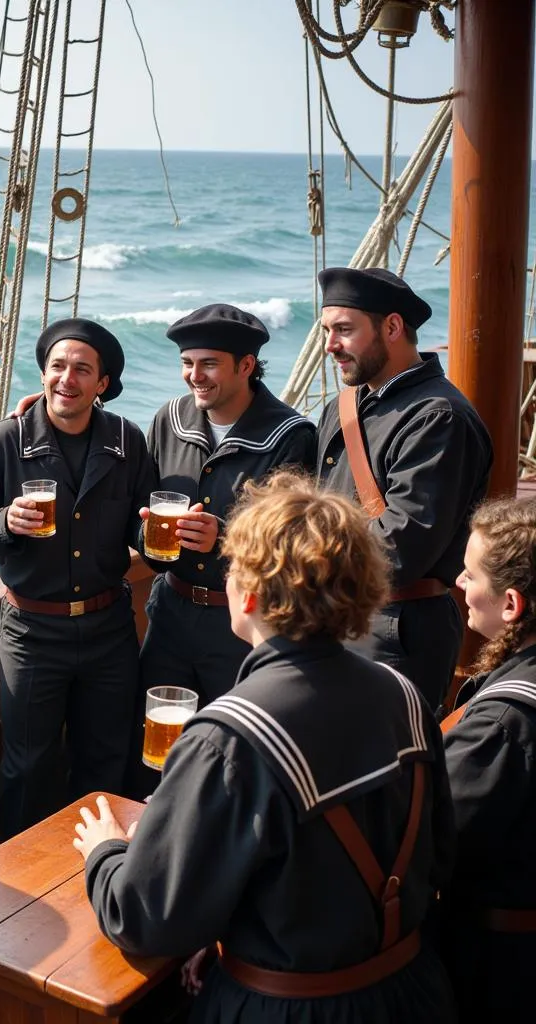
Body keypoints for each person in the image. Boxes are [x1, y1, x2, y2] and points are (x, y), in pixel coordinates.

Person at [73, 472, 456, 1024]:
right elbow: (438, 855)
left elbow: (145, 917)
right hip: (411, 990)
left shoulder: (230, 739)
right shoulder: (407, 698)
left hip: (291, 1009)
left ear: (248, 590)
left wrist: (106, 852)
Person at [0, 317, 156, 839]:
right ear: (43, 374)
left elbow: (140, 520)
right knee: (27, 766)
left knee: (106, 758)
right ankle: (21, 888)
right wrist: (5, 522)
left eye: (82, 370)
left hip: (109, 625)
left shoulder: (127, 441)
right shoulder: (4, 440)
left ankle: (98, 876)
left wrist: (152, 532)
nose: (68, 378)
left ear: (102, 384)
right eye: (58, 366)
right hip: (32, 633)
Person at [128, 304, 315, 794]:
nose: (195, 376)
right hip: (168, 612)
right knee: (153, 755)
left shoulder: (291, 435)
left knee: (238, 756)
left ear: (246, 365)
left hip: (242, 625)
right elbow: (135, 499)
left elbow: (293, 541)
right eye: (187, 363)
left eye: (208, 364)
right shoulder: (168, 419)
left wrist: (226, 538)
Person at [316, 266, 492, 710]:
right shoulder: (342, 407)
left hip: (396, 629)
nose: (330, 346)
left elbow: (399, 547)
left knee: (385, 774)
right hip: (335, 612)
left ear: (392, 327)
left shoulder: (439, 417)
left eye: (343, 330)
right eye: (326, 331)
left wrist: (300, 565)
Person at [439, 497, 536, 1020]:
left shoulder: (503, 725)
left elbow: (429, 836)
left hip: (497, 970)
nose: (458, 582)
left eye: (471, 573)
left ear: (512, 605)